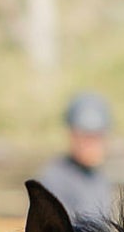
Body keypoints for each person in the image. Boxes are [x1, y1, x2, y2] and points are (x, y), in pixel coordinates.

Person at [36, 91, 115, 224]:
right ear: (73, 137)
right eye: (87, 138)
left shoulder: (99, 179)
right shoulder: (54, 181)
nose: (93, 146)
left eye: (97, 137)